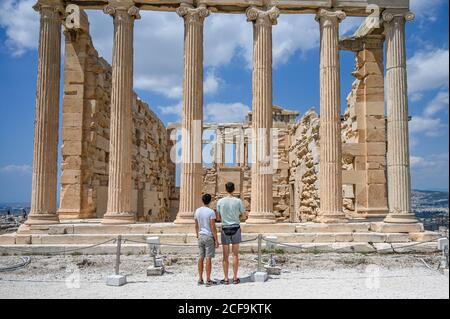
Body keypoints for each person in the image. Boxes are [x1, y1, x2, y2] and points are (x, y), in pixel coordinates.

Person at [217, 182, 245, 285]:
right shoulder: (238, 201)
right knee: (235, 255)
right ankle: (235, 278)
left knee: (225, 256)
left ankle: (225, 278)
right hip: (236, 228)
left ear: (225, 189)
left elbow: (218, 217)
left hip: (225, 228)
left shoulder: (220, 202)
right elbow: (243, 215)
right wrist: (236, 218)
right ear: (234, 189)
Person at [194, 193, 219, 287]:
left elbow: (196, 225)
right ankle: (208, 279)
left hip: (200, 236)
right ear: (210, 201)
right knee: (208, 258)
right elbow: (213, 227)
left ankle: (200, 279)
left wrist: (197, 234)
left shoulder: (197, 211)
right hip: (208, 236)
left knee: (201, 257)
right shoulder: (211, 212)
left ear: (202, 200)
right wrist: (216, 240)